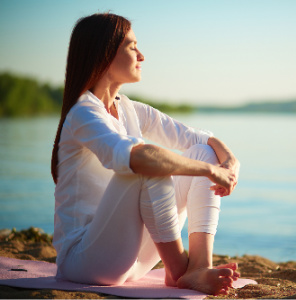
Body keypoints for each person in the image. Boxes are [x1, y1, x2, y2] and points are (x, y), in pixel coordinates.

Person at [50, 13, 240, 296]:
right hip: (85, 261)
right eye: (131, 46)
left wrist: (230, 161)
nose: (142, 55)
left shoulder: (130, 109)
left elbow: (200, 139)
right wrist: (209, 171)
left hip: (133, 260)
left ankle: (198, 266)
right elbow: (137, 157)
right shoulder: (83, 113)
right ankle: (179, 270)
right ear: (104, 54)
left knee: (201, 152)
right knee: (147, 164)